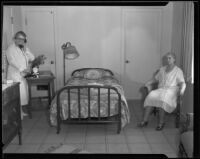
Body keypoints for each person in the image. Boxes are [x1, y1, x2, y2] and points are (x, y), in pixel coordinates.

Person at [137, 52, 186, 131]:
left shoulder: (178, 70)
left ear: (174, 59)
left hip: (171, 90)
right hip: (161, 89)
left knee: (163, 99)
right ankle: (144, 121)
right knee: (150, 96)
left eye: (170, 58)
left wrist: (182, 90)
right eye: (167, 58)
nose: (168, 60)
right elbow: (155, 79)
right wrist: (147, 83)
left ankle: (161, 123)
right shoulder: (162, 69)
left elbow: (182, 83)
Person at [6, 31, 35, 120]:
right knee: (16, 95)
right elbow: (12, 61)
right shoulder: (10, 49)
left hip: (23, 75)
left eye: (23, 39)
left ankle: (21, 111)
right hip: (15, 75)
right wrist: (23, 69)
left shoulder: (23, 48)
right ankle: (17, 114)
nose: (20, 40)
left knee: (22, 94)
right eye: (19, 38)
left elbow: (32, 58)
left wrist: (26, 50)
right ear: (15, 39)